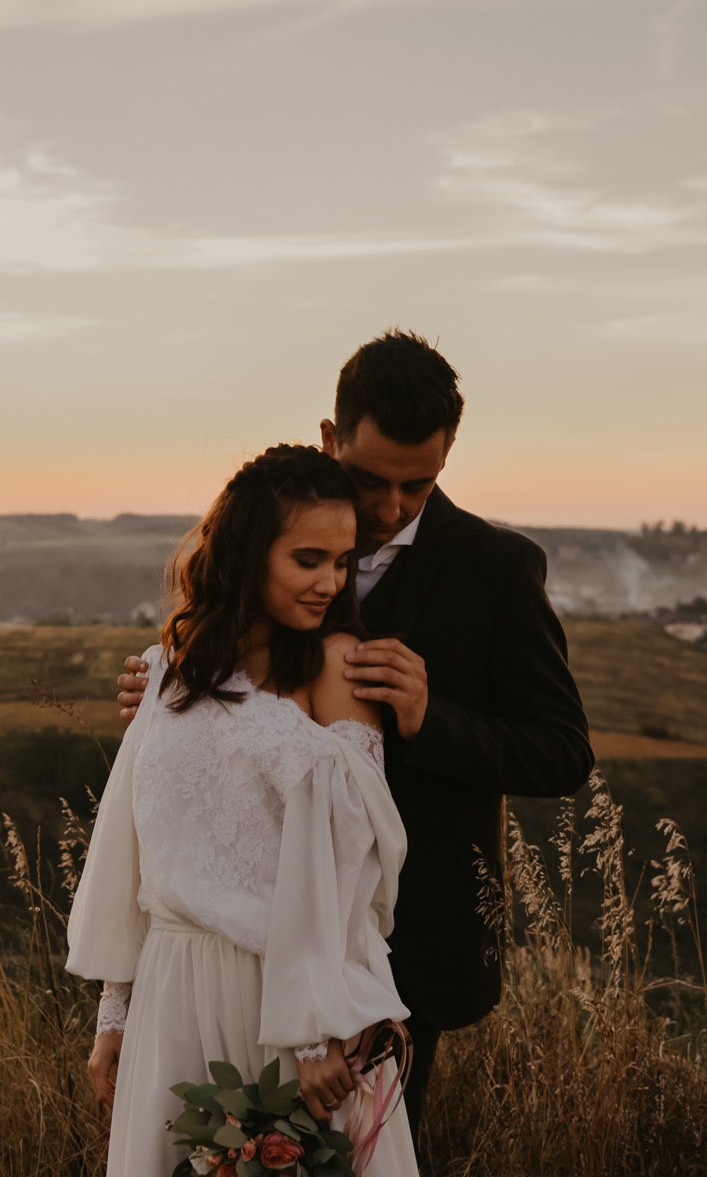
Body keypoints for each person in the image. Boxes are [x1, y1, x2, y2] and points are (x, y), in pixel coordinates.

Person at [117, 331, 594, 1130]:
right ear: (331, 438)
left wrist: (428, 718)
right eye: (372, 479)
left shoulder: (499, 569)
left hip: (412, 942)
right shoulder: (274, 534)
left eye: (420, 485)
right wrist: (166, 701)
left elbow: (562, 751)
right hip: (250, 943)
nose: (390, 507)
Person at [68, 444, 450, 1177]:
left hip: (285, 1001)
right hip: (172, 1000)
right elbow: (138, 851)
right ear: (247, 552)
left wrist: (320, 1022)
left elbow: (349, 869)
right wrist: (114, 1012)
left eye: (342, 560)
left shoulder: (335, 664)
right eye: (305, 558)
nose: (328, 581)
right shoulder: (166, 668)